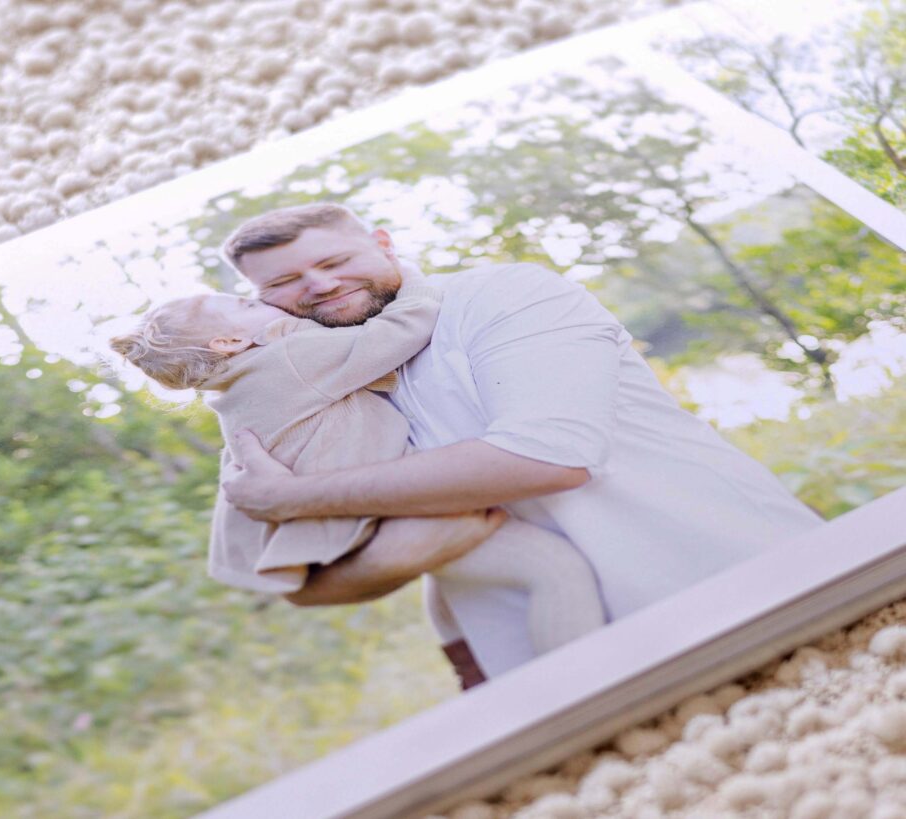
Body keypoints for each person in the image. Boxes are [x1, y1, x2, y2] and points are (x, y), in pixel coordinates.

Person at [218, 201, 827, 684]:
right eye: (286, 282)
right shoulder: (300, 394)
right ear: (257, 301)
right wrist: (403, 551)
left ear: (382, 242)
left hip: (731, 594)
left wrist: (299, 496)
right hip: (550, 683)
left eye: (334, 260)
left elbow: (549, 456)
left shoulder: (503, 295)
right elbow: (299, 582)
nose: (320, 285)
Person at [106, 264, 606, 684]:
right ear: (232, 340)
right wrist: (414, 282)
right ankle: (588, 693)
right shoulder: (288, 360)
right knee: (552, 569)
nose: (271, 306)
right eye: (248, 304)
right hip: (372, 515)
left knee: (457, 578)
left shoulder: (235, 389)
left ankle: (474, 672)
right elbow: (398, 334)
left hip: (346, 528)